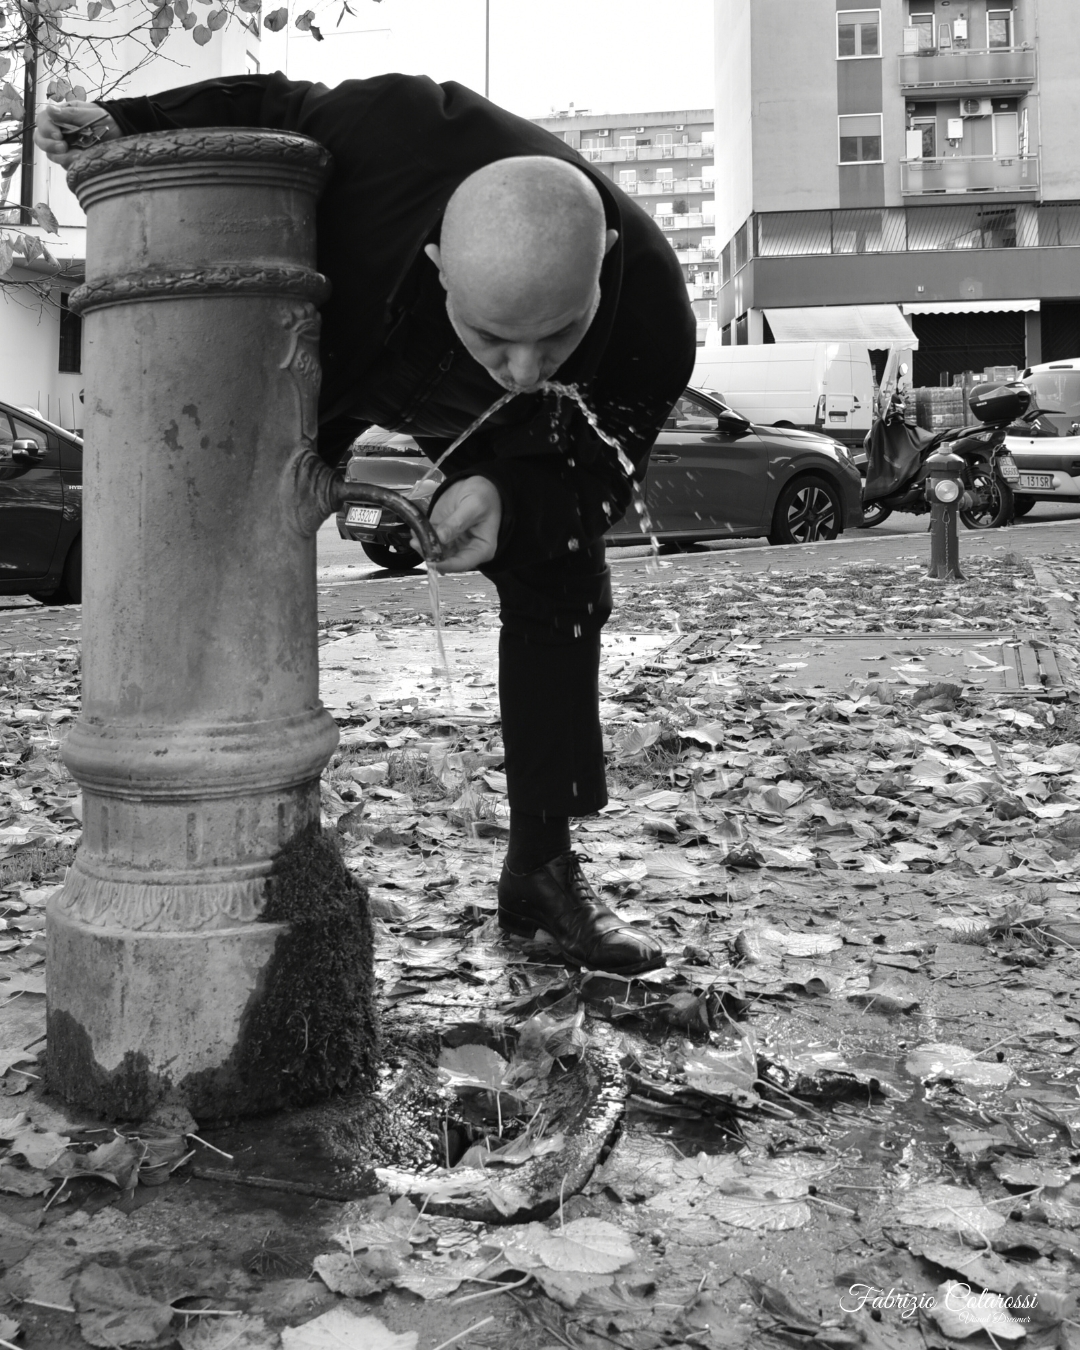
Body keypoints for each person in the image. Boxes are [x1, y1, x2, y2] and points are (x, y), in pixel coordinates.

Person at [36, 73, 696, 976]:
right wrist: (131, 120)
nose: (527, 371)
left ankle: (542, 871)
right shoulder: (399, 130)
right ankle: (215, 789)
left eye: (557, 335)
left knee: (567, 573)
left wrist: (513, 498)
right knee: (231, 515)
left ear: (605, 258)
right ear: (438, 264)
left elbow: (605, 476)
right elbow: (278, 104)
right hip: (355, 346)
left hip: (510, 445)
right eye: (497, 337)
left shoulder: (653, 317)